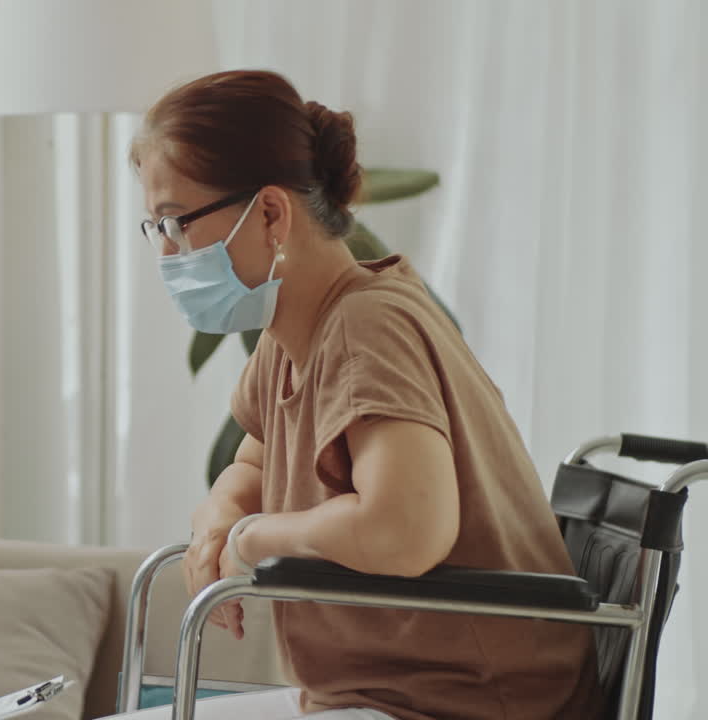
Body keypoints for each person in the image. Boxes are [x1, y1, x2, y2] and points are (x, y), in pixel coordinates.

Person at [115, 70, 598, 719]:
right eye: (156, 229)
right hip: (382, 695)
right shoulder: (290, 336)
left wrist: (254, 539)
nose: (169, 255)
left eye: (175, 222)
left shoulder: (366, 326)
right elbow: (254, 462)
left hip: (471, 701)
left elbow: (405, 529)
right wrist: (218, 521)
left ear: (269, 212)